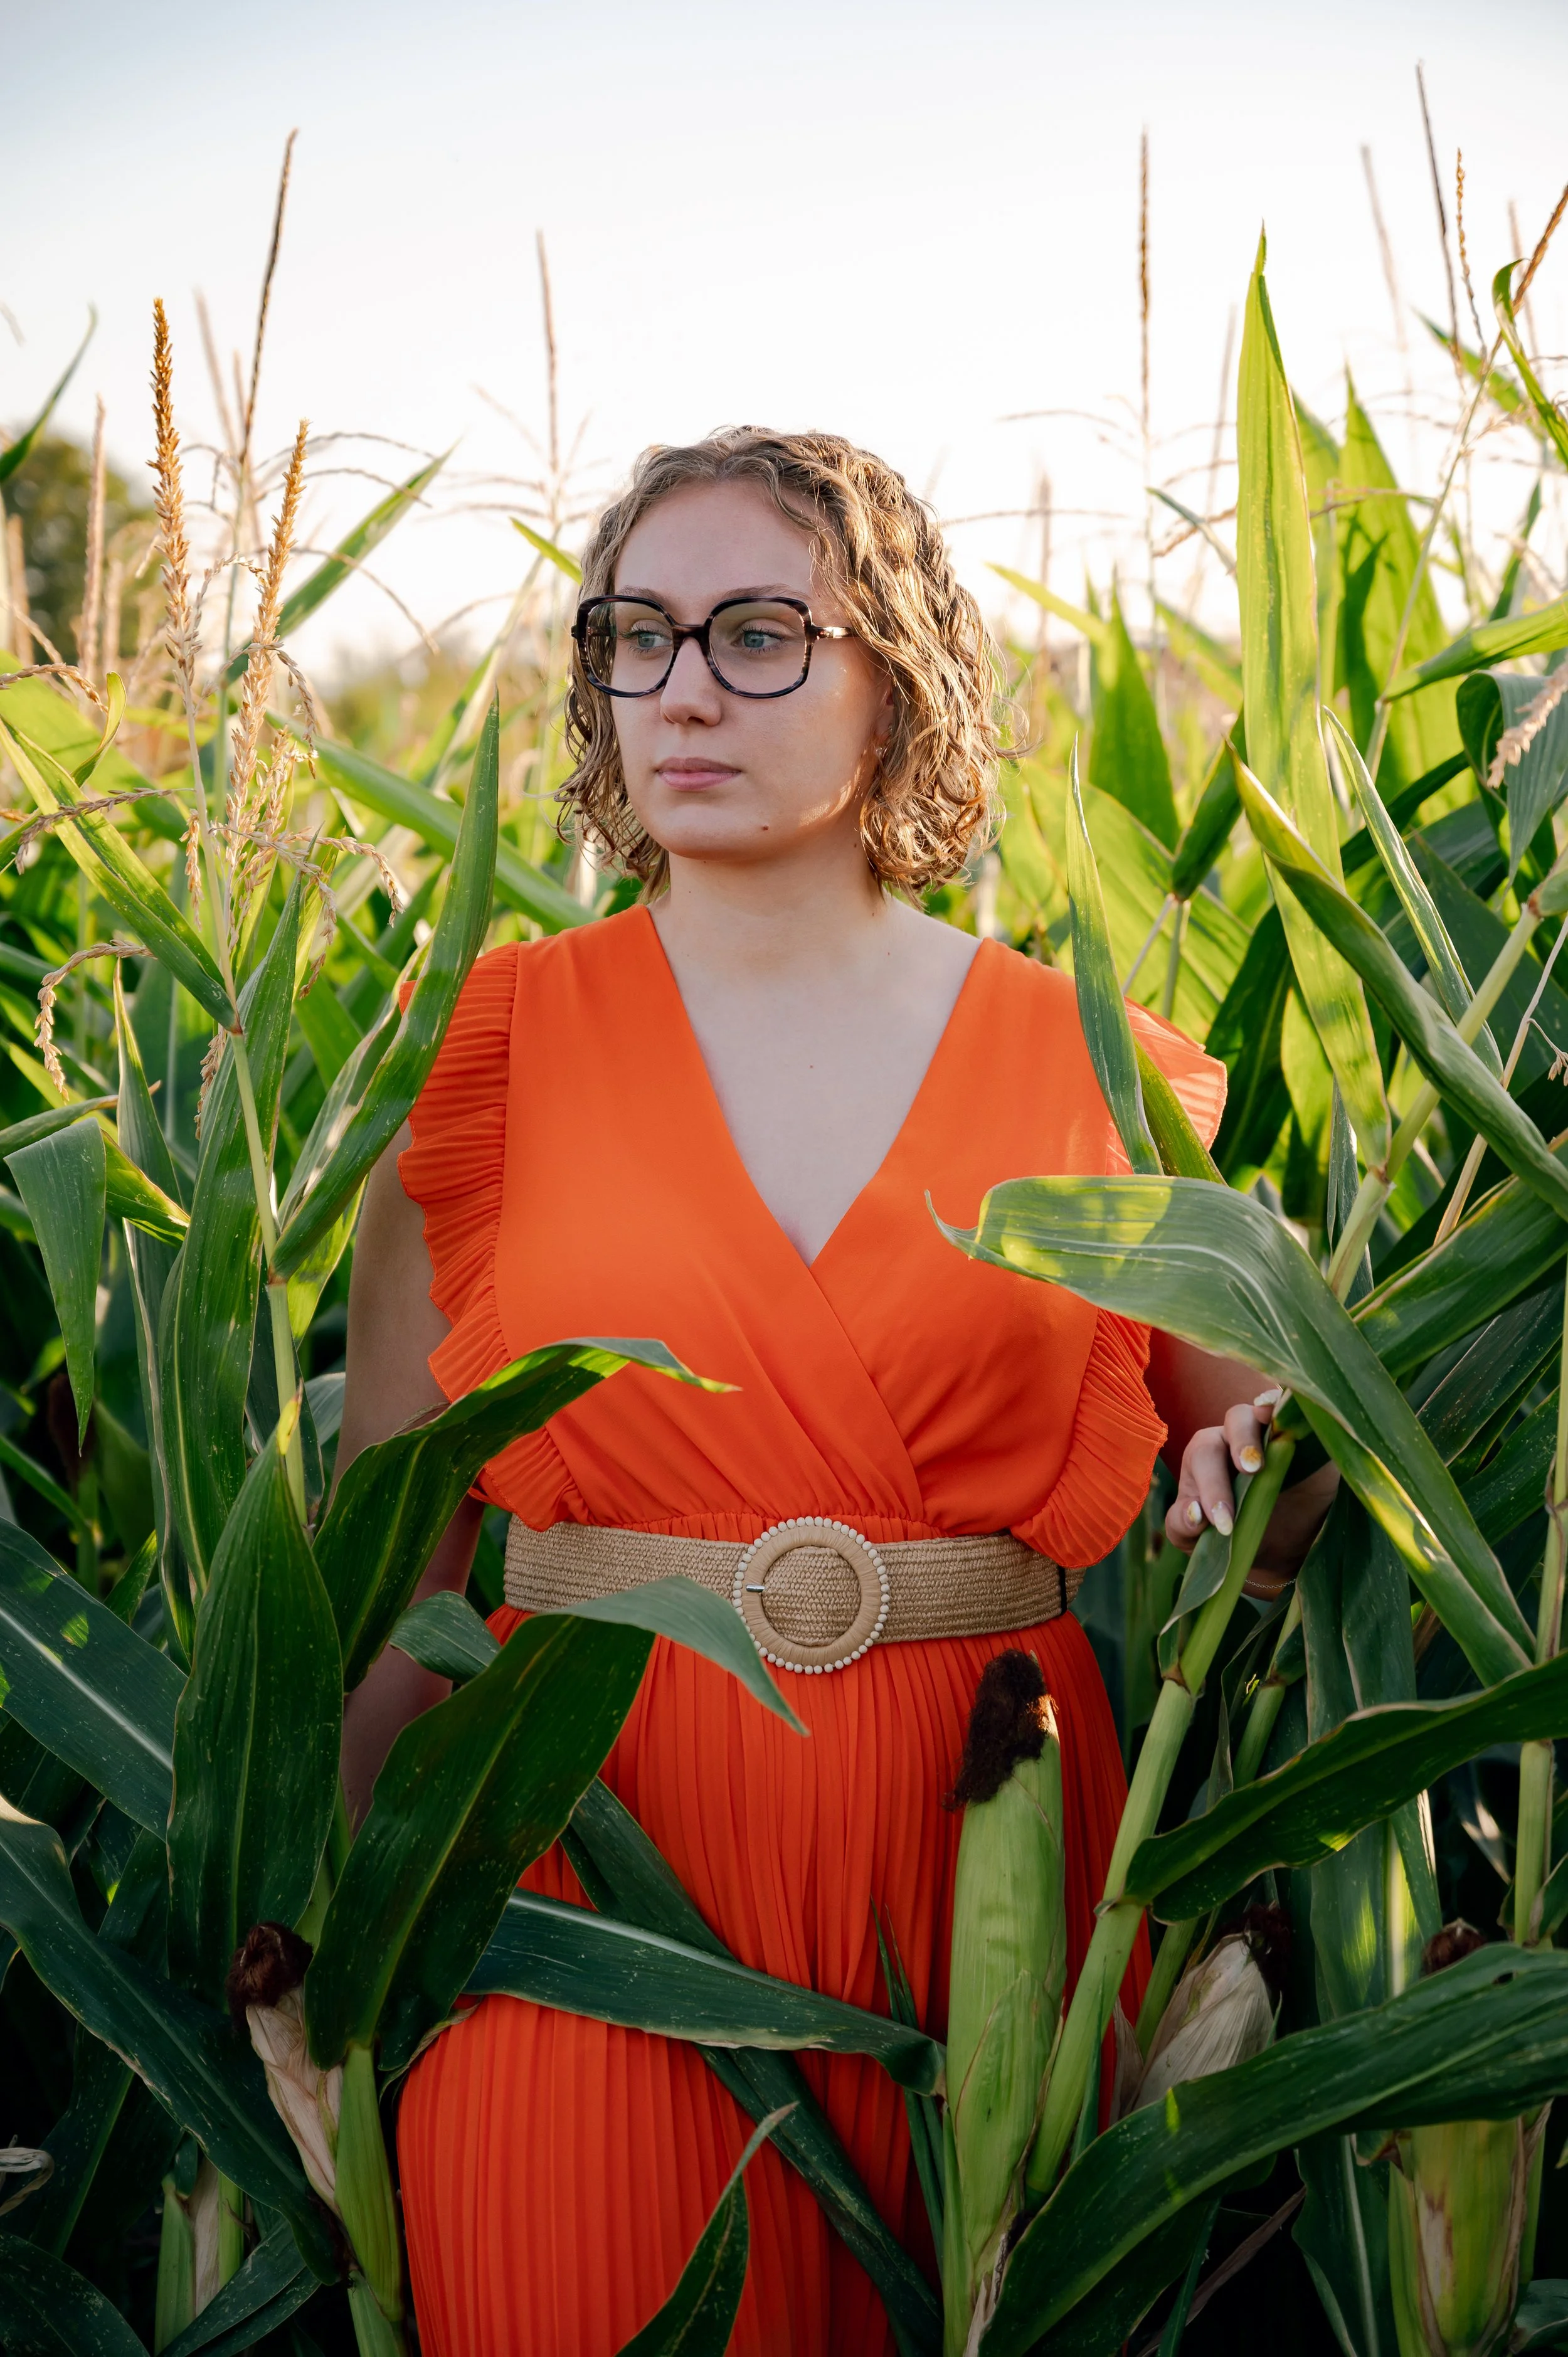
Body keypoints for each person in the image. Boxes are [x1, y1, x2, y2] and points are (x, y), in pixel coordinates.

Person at [337, 428, 1335, 2356]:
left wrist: (1261, 1442)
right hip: (579, 1880)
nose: (682, 685)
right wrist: (351, 1959)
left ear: (901, 680)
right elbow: (396, 1573)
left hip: (984, 1886)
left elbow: (1278, 1498)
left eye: (757, 633)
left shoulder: (1086, 1066)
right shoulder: (495, 1064)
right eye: (633, 634)